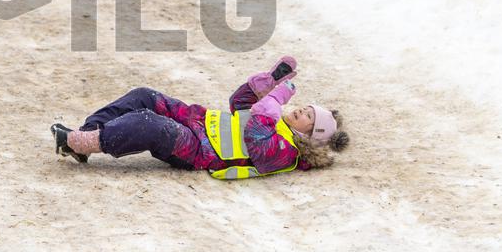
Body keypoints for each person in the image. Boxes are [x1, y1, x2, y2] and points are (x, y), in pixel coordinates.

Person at [51, 56, 350, 179]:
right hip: (198, 122)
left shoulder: (288, 153)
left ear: (310, 136)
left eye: (308, 118)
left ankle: (79, 143)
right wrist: (264, 86)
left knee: (149, 123)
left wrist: (274, 101)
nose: (300, 111)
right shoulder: (277, 121)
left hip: (199, 151)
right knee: (144, 96)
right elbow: (239, 105)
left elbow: (256, 136)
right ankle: (86, 134)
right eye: (306, 108)